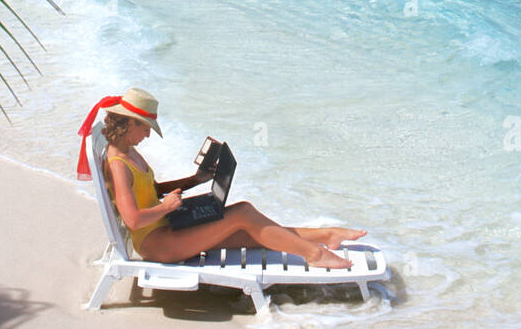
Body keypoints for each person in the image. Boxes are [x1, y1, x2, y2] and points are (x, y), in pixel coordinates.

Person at [94, 88, 363, 268]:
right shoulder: (119, 164)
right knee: (243, 213)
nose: (148, 135)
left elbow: (150, 190)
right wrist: (166, 207)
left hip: (166, 228)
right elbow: (132, 219)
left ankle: (326, 235)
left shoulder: (129, 151)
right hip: (158, 244)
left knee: (252, 231)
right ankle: (315, 256)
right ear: (130, 123)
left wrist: (194, 180)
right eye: (146, 127)